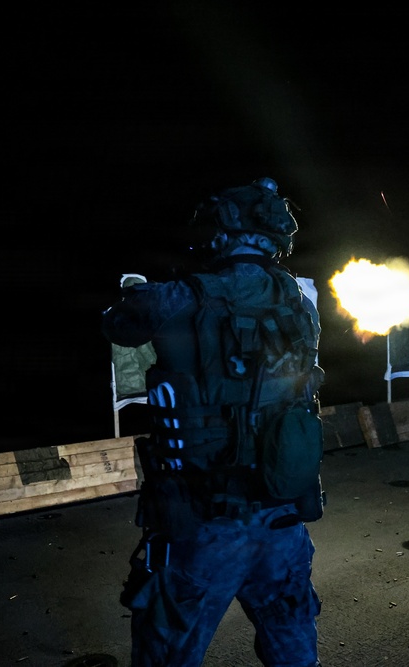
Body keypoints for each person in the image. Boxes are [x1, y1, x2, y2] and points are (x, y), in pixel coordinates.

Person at [102, 177, 326, 667]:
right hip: (283, 521)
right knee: (293, 647)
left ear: (225, 231)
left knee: (165, 652)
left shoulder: (183, 297)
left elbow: (117, 323)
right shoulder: (299, 305)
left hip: (206, 527)